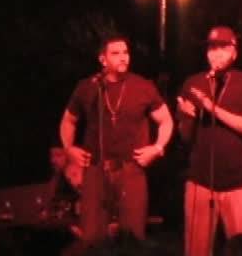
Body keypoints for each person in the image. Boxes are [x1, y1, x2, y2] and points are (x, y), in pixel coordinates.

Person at [59, 35, 173, 248]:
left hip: (131, 169)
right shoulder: (88, 87)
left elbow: (166, 120)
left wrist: (157, 148)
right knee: (92, 238)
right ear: (103, 59)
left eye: (125, 52)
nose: (123, 57)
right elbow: (68, 120)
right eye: (116, 53)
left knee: (132, 238)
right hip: (95, 170)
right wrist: (68, 148)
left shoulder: (142, 86)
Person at [176, 26, 242, 256]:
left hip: (240, 182)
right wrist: (186, 118)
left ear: (234, 52)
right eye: (212, 48)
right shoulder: (193, 83)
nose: (216, 53)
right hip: (200, 181)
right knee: (196, 250)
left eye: (223, 48)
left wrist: (212, 108)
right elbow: (185, 138)